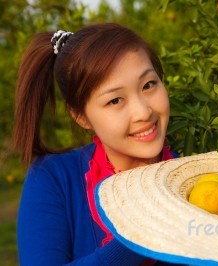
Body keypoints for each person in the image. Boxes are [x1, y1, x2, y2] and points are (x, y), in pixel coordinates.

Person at [13, 22, 178, 265]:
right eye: (115, 100)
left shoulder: (194, 181)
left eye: (148, 85)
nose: (143, 111)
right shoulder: (54, 179)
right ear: (80, 116)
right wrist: (136, 238)